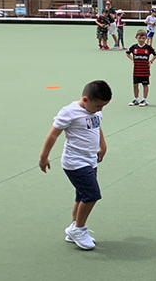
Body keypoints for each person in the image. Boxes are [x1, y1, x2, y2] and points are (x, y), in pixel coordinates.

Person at [38, 80, 112, 250]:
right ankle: (78, 229)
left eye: (103, 107)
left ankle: (74, 227)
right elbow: (53, 134)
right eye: (99, 106)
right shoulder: (70, 112)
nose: (100, 109)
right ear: (85, 99)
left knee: (82, 195)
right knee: (92, 195)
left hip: (90, 160)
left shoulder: (95, 111)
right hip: (75, 162)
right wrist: (44, 157)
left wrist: (103, 145)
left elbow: (97, 126)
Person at [126, 29, 156, 106]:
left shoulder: (148, 47)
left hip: (145, 70)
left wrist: (151, 61)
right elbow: (127, 53)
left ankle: (144, 100)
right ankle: (136, 99)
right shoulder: (134, 47)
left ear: (146, 38)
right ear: (136, 37)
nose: (141, 40)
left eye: (143, 38)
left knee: (145, 85)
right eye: (139, 38)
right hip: (136, 70)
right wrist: (132, 59)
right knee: (135, 85)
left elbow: (155, 54)